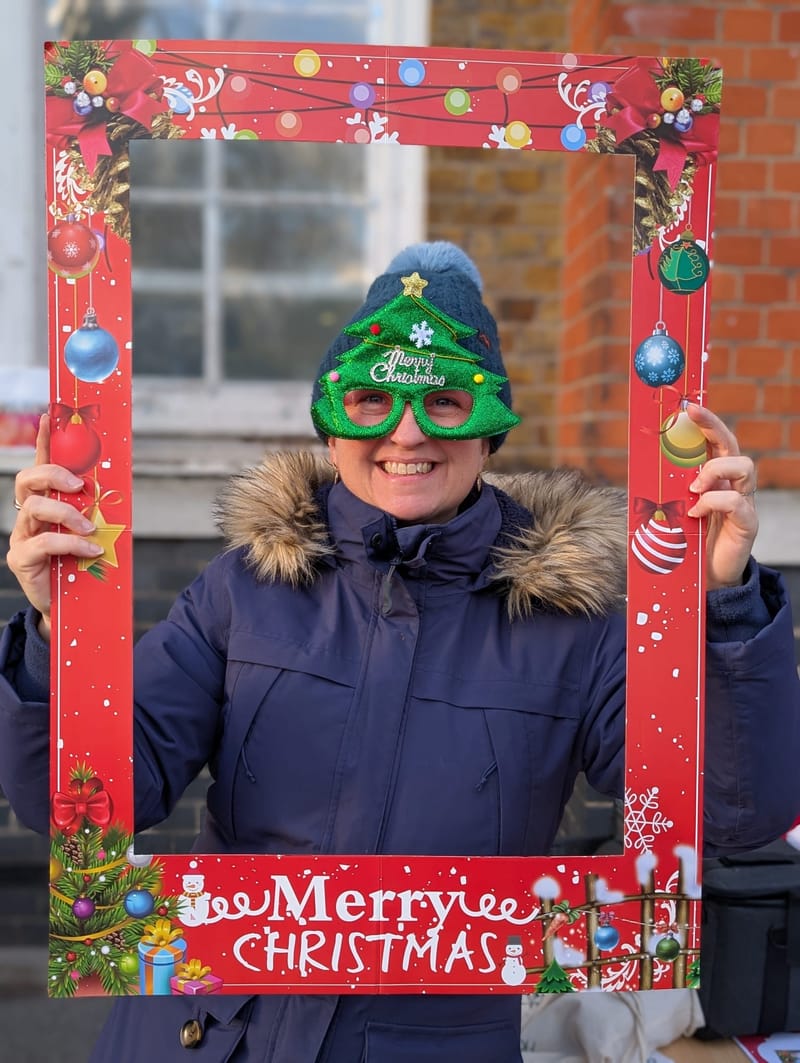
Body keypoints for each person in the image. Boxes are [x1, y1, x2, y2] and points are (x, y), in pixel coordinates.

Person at [1, 241, 798, 1063]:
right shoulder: (241, 589)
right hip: (207, 1032)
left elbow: (730, 816)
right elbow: (83, 804)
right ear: (330, 419)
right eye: (373, 397)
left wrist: (717, 605)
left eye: (447, 401)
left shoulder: (575, 622)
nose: (407, 432)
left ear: (491, 432)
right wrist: (62, 633)